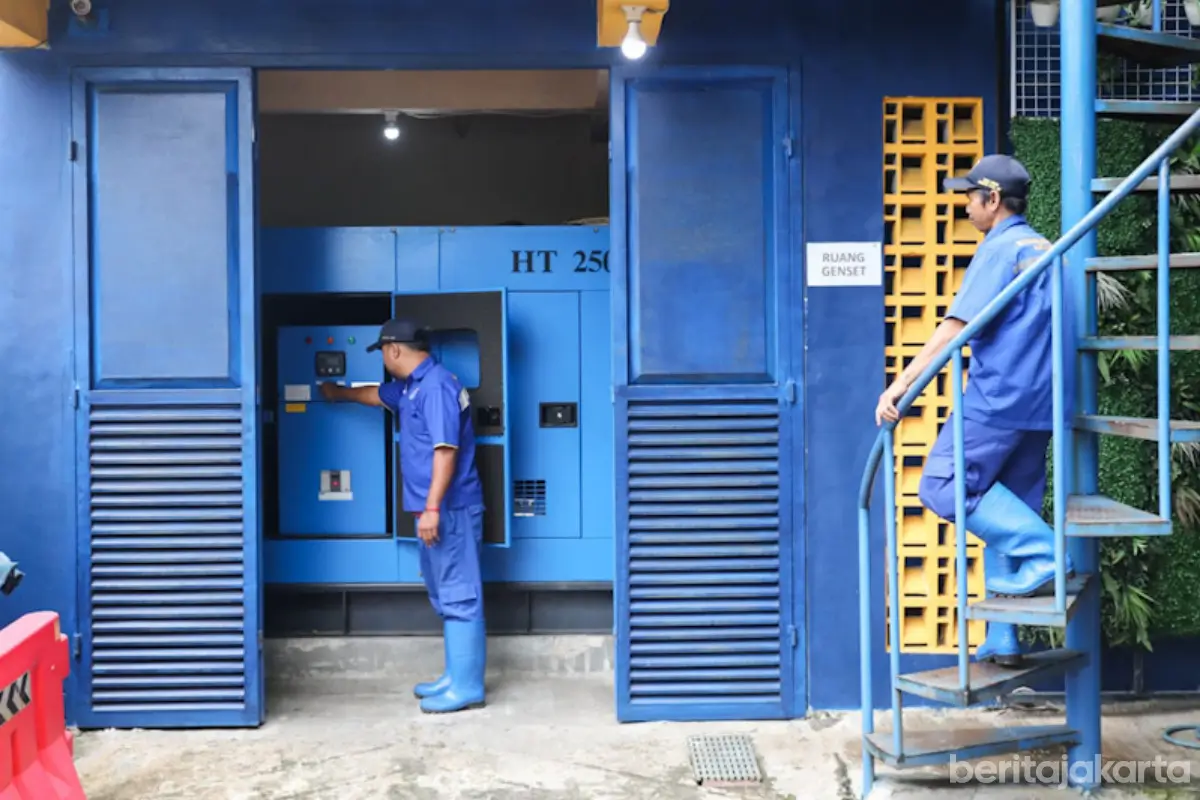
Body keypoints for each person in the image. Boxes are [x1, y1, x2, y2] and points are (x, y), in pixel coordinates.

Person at [875, 154, 1075, 668]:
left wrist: (899, 386)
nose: (965, 206)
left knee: (943, 485)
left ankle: (1051, 556)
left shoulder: (1001, 248)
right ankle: (1004, 637)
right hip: (1042, 405)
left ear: (993, 200)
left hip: (999, 402)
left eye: (970, 197)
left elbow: (953, 329)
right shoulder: (1047, 249)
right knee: (1007, 508)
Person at [320, 317, 487, 712]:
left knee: (460, 594)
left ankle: (467, 687)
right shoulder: (413, 388)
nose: (383, 359)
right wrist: (337, 393)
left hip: (449, 509)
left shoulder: (437, 387)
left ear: (393, 350)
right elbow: (377, 395)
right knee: (445, 592)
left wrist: (431, 508)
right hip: (432, 510)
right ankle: (455, 676)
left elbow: (445, 450)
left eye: (381, 352)